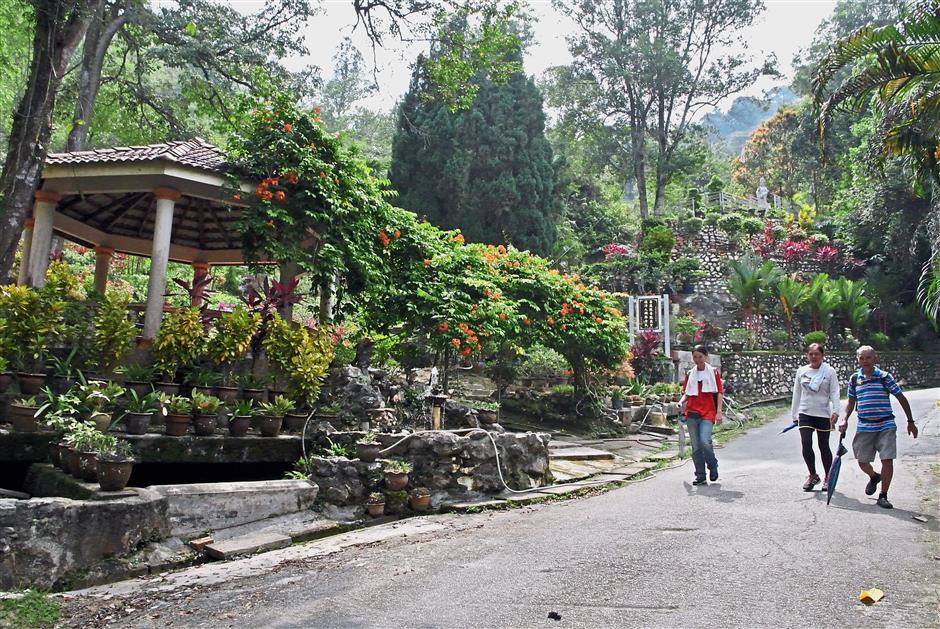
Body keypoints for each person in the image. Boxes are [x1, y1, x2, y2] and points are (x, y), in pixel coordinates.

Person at [838, 345, 918, 509]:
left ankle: (883, 495)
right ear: (858, 360)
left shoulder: (884, 377)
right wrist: (844, 419)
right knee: (862, 461)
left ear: (875, 359)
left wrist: (910, 421)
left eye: (868, 357)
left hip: (886, 424)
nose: (865, 361)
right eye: (862, 358)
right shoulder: (855, 379)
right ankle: (874, 476)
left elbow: (901, 397)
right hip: (865, 426)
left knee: (887, 459)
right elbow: (851, 403)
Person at [790, 343, 840, 491]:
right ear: (807, 355)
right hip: (805, 413)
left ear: (822, 356)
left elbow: (835, 392)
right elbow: (797, 393)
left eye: (816, 354)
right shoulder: (802, 371)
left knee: (823, 446)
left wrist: (836, 411)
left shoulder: (829, 372)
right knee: (806, 443)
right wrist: (795, 413)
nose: (813, 357)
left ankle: (828, 477)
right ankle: (812, 475)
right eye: (810, 354)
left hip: (823, 414)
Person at [678, 345, 723, 485]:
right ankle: (700, 475)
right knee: (696, 445)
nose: (697, 360)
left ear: (706, 357)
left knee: (705, 441)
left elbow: (719, 392)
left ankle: (712, 465)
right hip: (692, 412)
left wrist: (719, 412)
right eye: (695, 357)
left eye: (700, 357)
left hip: (708, 412)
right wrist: (680, 402)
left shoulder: (713, 372)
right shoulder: (690, 374)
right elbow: (686, 393)